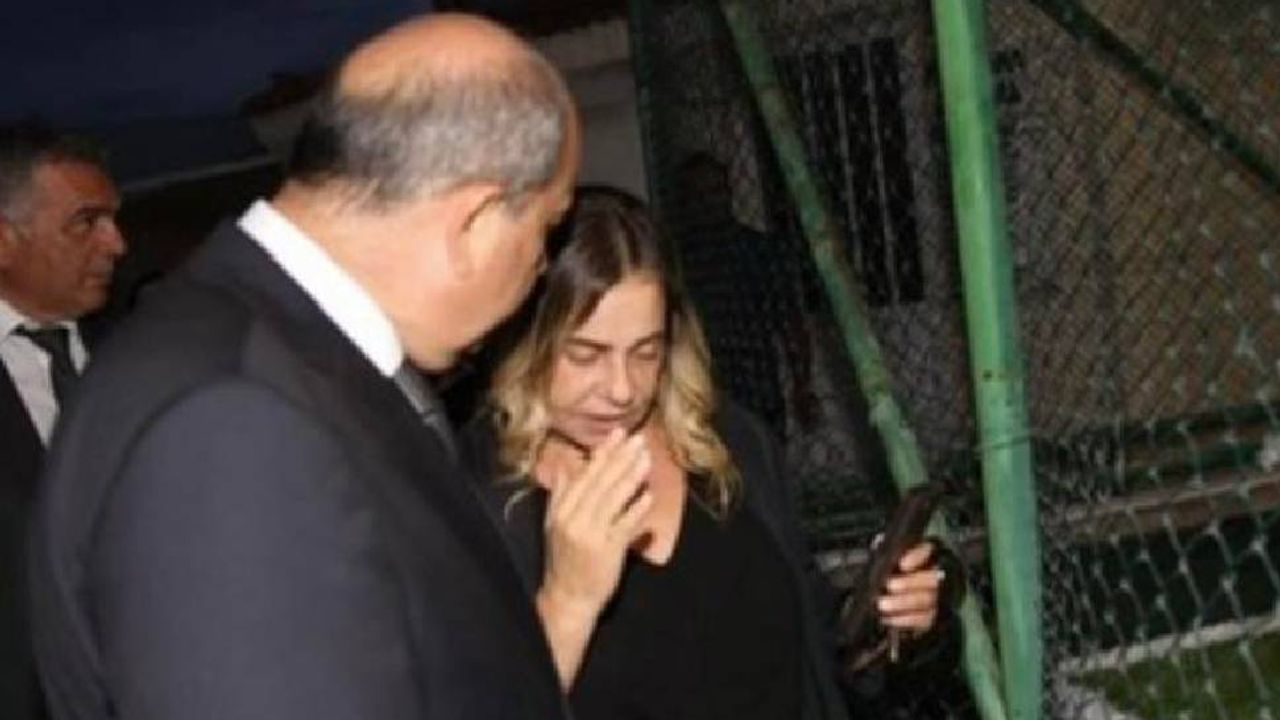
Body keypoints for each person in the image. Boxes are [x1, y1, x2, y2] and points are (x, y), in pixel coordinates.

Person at [28, 14, 582, 720]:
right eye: (546, 227)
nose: (541, 265)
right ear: (472, 222)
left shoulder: (255, 355)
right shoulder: (237, 431)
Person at [465, 187, 957, 720]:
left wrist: (894, 620)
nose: (621, 389)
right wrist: (566, 604)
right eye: (585, 355)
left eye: (646, 352)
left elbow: (822, 651)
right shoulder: (473, 498)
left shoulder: (729, 443)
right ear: (524, 338)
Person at [0, 122, 124, 720]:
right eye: (86, 222)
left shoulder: (142, 351)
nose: (116, 243)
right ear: (4, 241)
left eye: (114, 219)